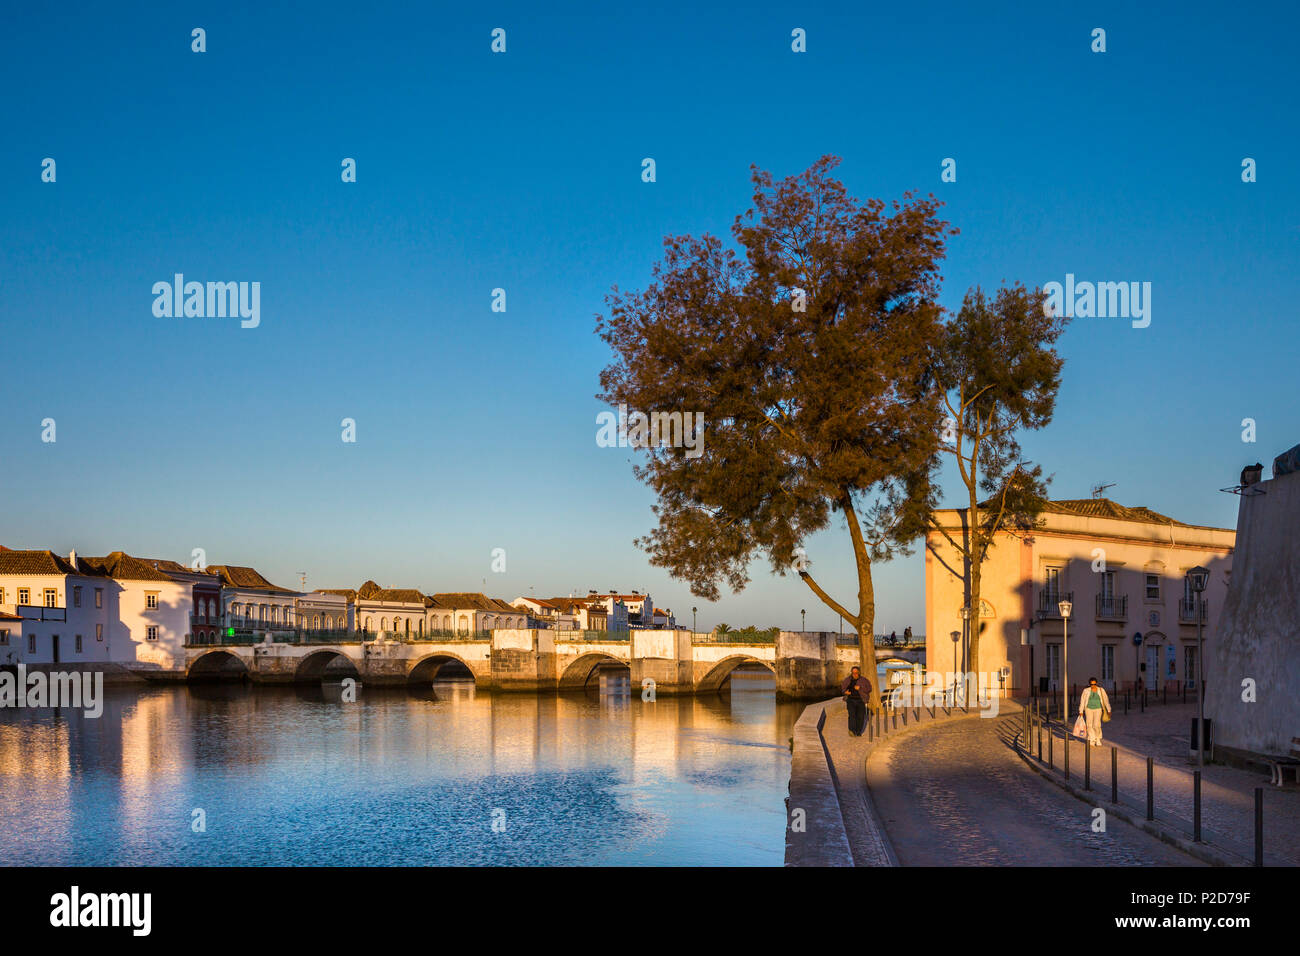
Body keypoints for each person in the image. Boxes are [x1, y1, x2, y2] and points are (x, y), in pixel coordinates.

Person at [1078, 677, 1111, 746]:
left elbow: (1106, 700)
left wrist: (1109, 709)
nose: (1093, 686)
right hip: (1088, 709)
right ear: (1089, 684)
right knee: (1089, 725)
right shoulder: (1086, 690)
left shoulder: (1101, 690)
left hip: (1098, 709)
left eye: (1094, 684)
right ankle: (1092, 739)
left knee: (1096, 725)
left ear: (1097, 683)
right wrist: (1081, 710)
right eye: (1091, 684)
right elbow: (1082, 701)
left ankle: (1097, 738)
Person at [842, 666, 872, 736]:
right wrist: (845, 692)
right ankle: (852, 731)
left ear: (859, 673)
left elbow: (869, 689)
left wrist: (860, 688)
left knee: (860, 716)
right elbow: (843, 689)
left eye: (856, 673)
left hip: (861, 700)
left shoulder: (864, 680)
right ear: (851, 673)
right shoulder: (847, 680)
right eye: (853, 673)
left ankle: (858, 731)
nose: (855, 674)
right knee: (852, 716)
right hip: (850, 700)